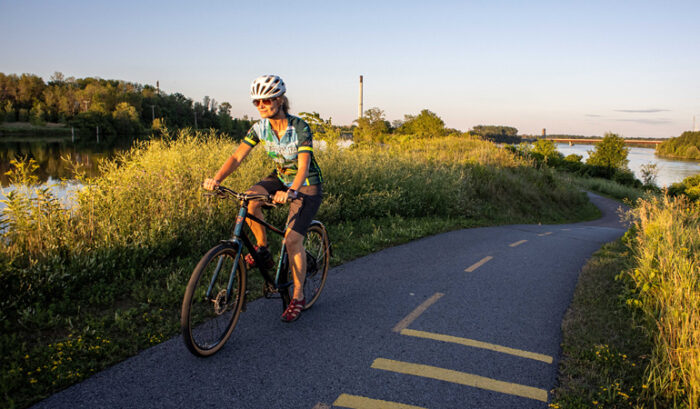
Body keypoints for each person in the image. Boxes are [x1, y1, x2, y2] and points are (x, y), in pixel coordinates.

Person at [203, 75, 323, 323]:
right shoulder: (260, 129)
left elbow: (303, 166)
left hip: (306, 184)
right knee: (249, 199)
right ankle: (263, 249)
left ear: (279, 100)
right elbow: (237, 157)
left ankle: (298, 297)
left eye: (266, 100)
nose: (261, 106)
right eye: (257, 102)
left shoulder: (299, 128)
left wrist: (291, 192)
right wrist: (217, 179)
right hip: (279, 177)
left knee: (292, 241)